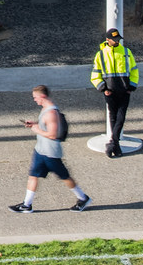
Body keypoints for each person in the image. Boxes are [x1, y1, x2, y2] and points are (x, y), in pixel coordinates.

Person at [9, 85, 91, 213]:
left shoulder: (51, 113)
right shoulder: (45, 109)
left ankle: (83, 198)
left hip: (50, 154)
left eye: (35, 97)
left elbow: (53, 134)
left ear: (42, 96)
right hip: (40, 150)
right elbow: (46, 127)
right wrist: (36, 124)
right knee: (33, 175)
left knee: (65, 177)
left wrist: (37, 130)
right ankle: (27, 205)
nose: (34, 100)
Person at [90, 28, 139, 158]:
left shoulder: (126, 52)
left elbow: (134, 70)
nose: (117, 41)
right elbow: (95, 75)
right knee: (113, 117)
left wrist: (131, 87)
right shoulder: (100, 55)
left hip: (124, 91)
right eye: (115, 39)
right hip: (110, 93)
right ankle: (115, 146)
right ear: (108, 40)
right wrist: (103, 89)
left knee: (121, 117)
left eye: (118, 39)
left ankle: (113, 142)